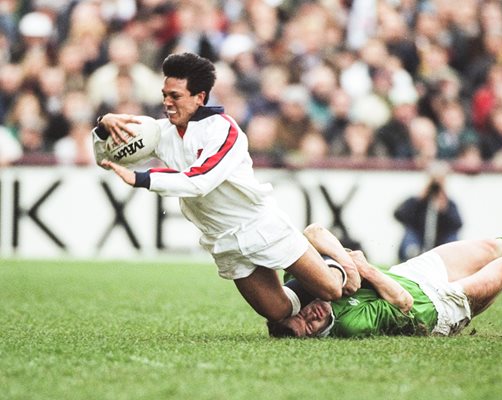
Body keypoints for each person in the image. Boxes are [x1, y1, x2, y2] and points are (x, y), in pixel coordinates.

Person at [92, 52, 360, 322]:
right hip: (221, 237)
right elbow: (103, 158)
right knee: (278, 311)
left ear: (200, 97)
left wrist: (142, 178)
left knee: (333, 289)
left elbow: (199, 181)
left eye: (175, 96)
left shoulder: (224, 130)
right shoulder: (159, 132)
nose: (167, 103)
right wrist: (104, 127)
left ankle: (340, 257)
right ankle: (312, 268)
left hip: (258, 224)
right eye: (165, 95)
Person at [267, 224, 502, 338]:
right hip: (437, 308)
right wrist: (364, 269)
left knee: (491, 247)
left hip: (410, 274)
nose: (309, 317)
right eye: (307, 329)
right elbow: (402, 301)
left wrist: (343, 261)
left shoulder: (308, 289)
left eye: (299, 316)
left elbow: (312, 233)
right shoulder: (350, 324)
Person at [394, 163, 462, 261]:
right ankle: (411, 257)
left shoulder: (449, 203)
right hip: (418, 239)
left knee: (452, 238)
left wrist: (444, 208)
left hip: (441, 242)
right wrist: (420, 198)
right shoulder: (417, 200)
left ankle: (450, 260)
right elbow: (399, 214)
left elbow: (458, 224)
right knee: (409, 234)